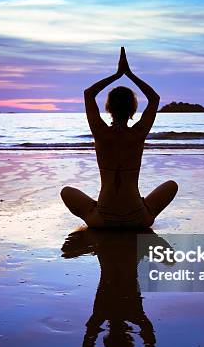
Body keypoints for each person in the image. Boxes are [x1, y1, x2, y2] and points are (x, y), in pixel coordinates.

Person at [60, 47, 178, 228]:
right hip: (137, 219)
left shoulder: (100, 132)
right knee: (172, 185)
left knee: (66, 191)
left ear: (108, 108)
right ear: (133, 109)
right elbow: (154, 98)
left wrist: (117, 74)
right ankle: (140, 205)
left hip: (102, 220)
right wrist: (129, 74)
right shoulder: (138, 134)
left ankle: (99, 209)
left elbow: (88, 93)